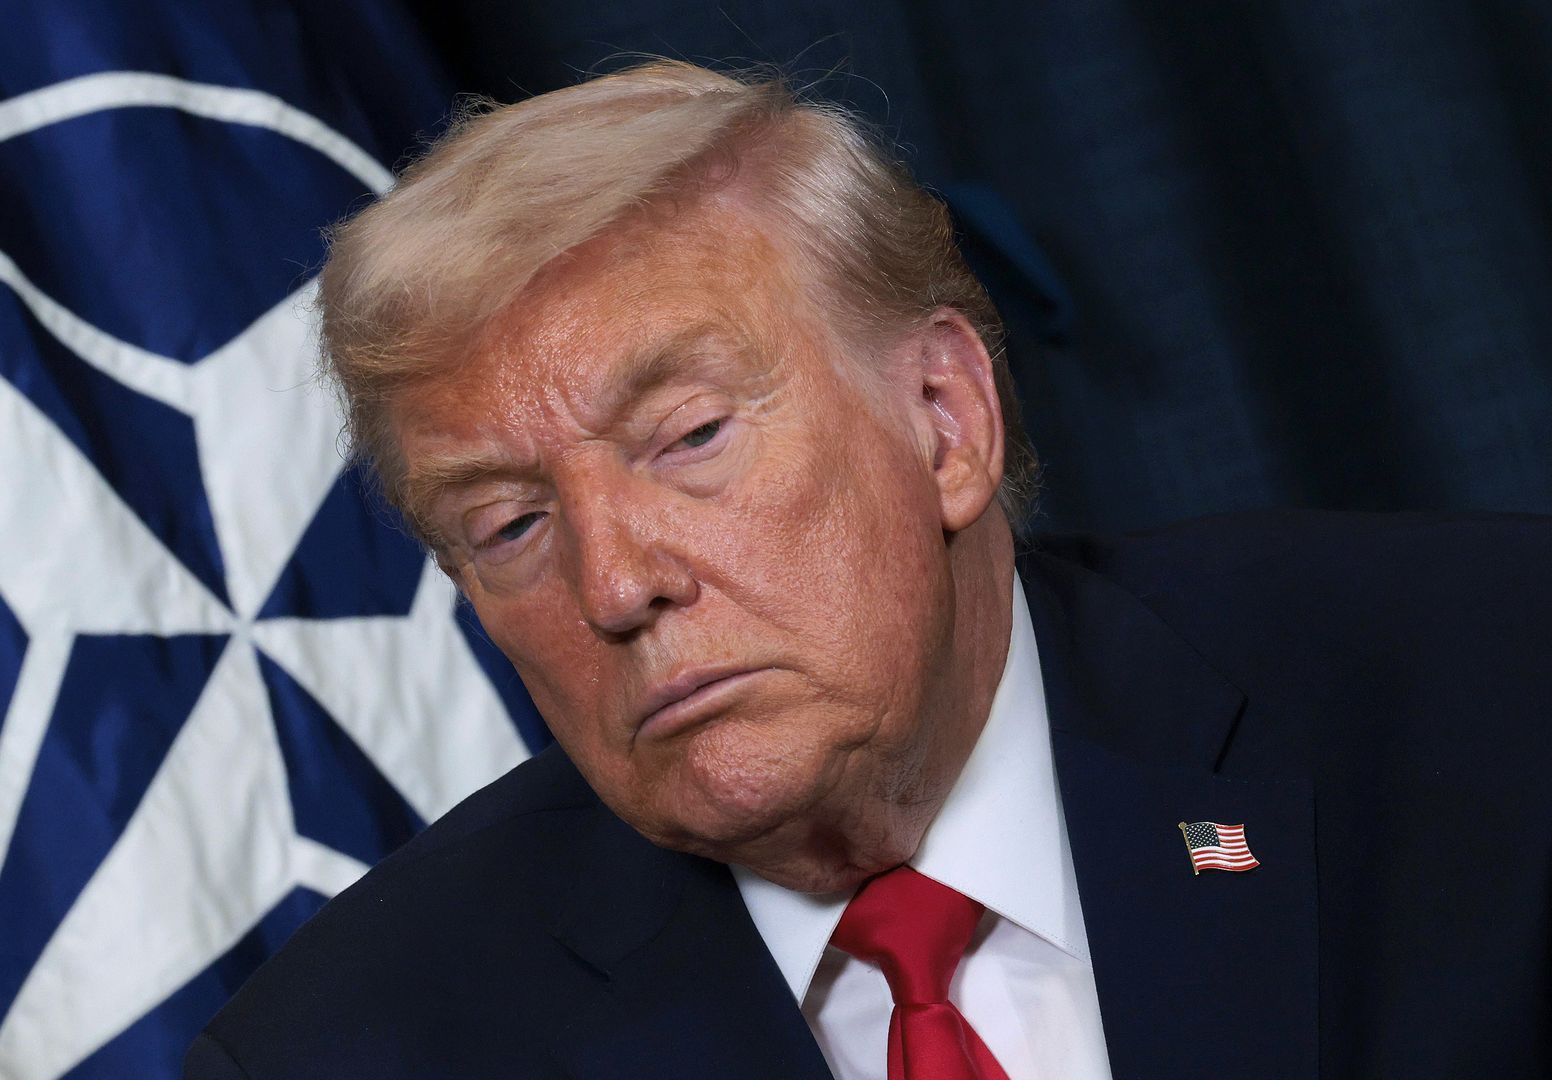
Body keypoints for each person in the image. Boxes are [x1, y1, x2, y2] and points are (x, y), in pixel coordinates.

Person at [187, 61, 1551, 1079]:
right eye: (507, 526)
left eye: (689, 437)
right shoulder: (358, 1049)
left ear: (946, 421)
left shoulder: (1495, 697)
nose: (614, 587)